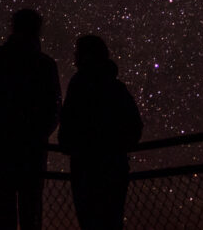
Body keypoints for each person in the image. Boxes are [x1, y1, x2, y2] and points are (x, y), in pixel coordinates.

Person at [0, 9, 62, 230]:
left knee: (3, 211)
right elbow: (54, 108)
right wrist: (38, 134)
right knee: (31, 211)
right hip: (32, 149)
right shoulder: (45, 64)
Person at [58, 35, 143, 230]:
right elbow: (134, 126)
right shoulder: (116, 87)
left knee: (89, 220)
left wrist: (70, 144)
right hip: (114, 165)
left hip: (85, 166)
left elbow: (68, 121)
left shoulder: (79, 84)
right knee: (112, 220)